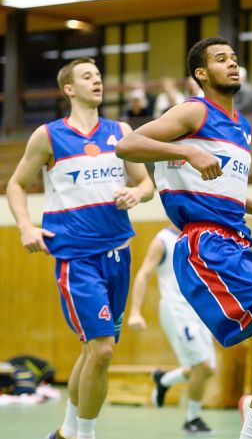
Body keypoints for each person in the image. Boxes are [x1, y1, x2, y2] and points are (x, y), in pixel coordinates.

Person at [115, 37, 252, 439]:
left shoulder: (241, 127)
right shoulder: (194, 110)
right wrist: (190, 153)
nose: (232, 65)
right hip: (207, 245)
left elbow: (224, 186)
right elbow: (127, 145)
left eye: (234, 59)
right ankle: (251, 432)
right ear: (201, 73)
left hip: (237, 242)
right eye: (220, 59)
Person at [6, 58, 155, 439]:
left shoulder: (120, 132)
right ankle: (84, 435)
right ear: (69, 88)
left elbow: (146, 184)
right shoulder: (49, 135)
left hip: (119, 253)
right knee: (102, 348)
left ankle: (66, 432)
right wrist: (25, 225)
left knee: (94, 351)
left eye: (99, 76)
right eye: (87, 76)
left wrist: (135, 193)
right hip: (76, 257)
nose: (97, 81)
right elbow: (16, 184)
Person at [127, 226, 216, 435]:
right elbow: (143, 274)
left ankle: (164, 380)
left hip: (198, 311)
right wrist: (135, 311)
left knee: (205, 370)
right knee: (201, 365)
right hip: (176, 310)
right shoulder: (163, 240)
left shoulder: (200, 236)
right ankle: (192, 419)